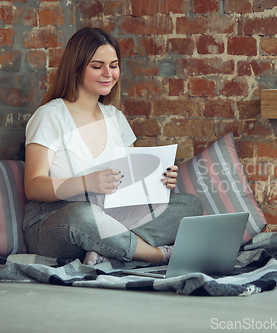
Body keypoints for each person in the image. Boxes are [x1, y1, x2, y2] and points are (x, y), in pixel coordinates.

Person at [22, 27, 203, 266]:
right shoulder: (50, 116)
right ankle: (156, 254)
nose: (108, 73)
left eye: (114, 65)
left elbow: (135, 181)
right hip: (55, 219)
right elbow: (33, 187)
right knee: (85, 216)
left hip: (112, 215)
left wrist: (160, 180)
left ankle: (106, 250)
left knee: (190, 205)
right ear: (76, 69)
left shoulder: (115, 118)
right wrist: (87, 182)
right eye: (97, 66)